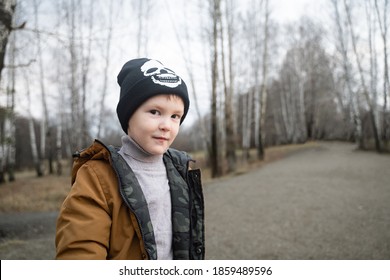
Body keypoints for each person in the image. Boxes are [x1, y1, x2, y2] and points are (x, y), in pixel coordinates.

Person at [55, 58, 204, 260]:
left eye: (175, 116)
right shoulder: (97, 177)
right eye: (154, 112)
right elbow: (81, 250)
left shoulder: (179, 170)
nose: (166, 125)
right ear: (128, 116)